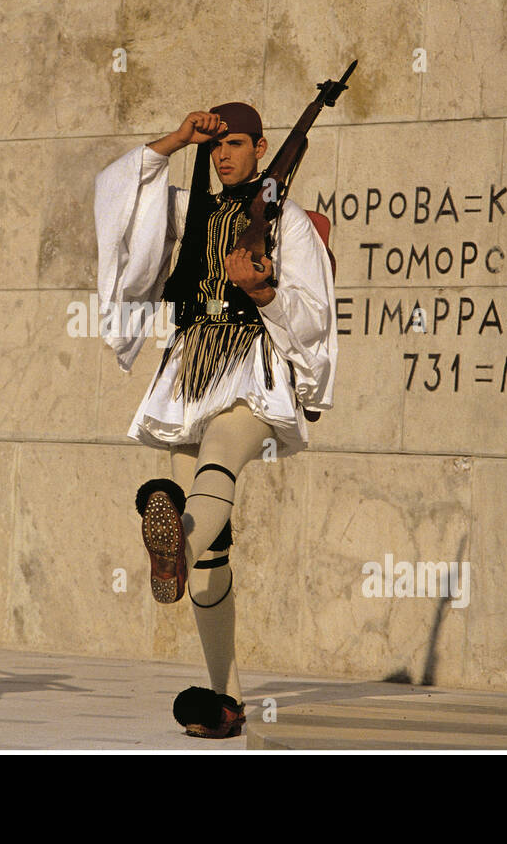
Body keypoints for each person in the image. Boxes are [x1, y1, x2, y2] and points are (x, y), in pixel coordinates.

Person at [94, 102, 337, 738]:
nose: (225, 155)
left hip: (252, 365)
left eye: (236, 144)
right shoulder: (191, 209)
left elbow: (315, 309)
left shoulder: (286, 222)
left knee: (219, 463)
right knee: (212, 554)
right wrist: (178, 139)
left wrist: (264, 292)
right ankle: (223, 699)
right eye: (217, 146)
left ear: (262, 148)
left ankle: (172, 553)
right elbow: (123, 195)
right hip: (189, 367)